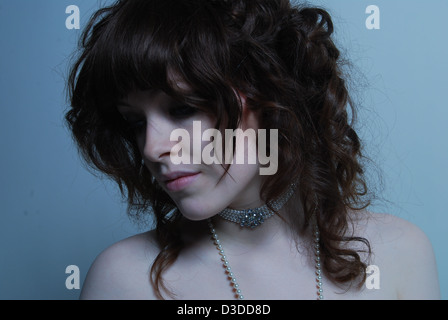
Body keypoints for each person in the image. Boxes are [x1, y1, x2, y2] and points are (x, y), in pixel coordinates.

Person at [65, 0, 440, 300]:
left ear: (273, 96)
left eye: (183, 108)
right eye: (135, 122)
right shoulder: (124, 281)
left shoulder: (398, 253)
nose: (152, 147)